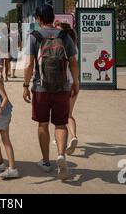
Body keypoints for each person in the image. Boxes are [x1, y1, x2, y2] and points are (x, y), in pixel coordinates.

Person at [23, 5, 79, 181]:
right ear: (52, 17)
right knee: (61, 124)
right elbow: (73, 62)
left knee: (42, 124)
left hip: (41, 88)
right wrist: (75, 82)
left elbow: (29, 64)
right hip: (62, 87)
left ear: (39, 18)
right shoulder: (64, 35)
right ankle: (61, 155)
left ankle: (46, 162)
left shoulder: (34, 36)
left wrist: (25, 85)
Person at [56, 22, 79, 155]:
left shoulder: (61, 47)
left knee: (59, 116)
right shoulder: (75, 47)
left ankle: (60, 140)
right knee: (69, 114)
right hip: (74, 82)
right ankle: (74, 136)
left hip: (64, 84)